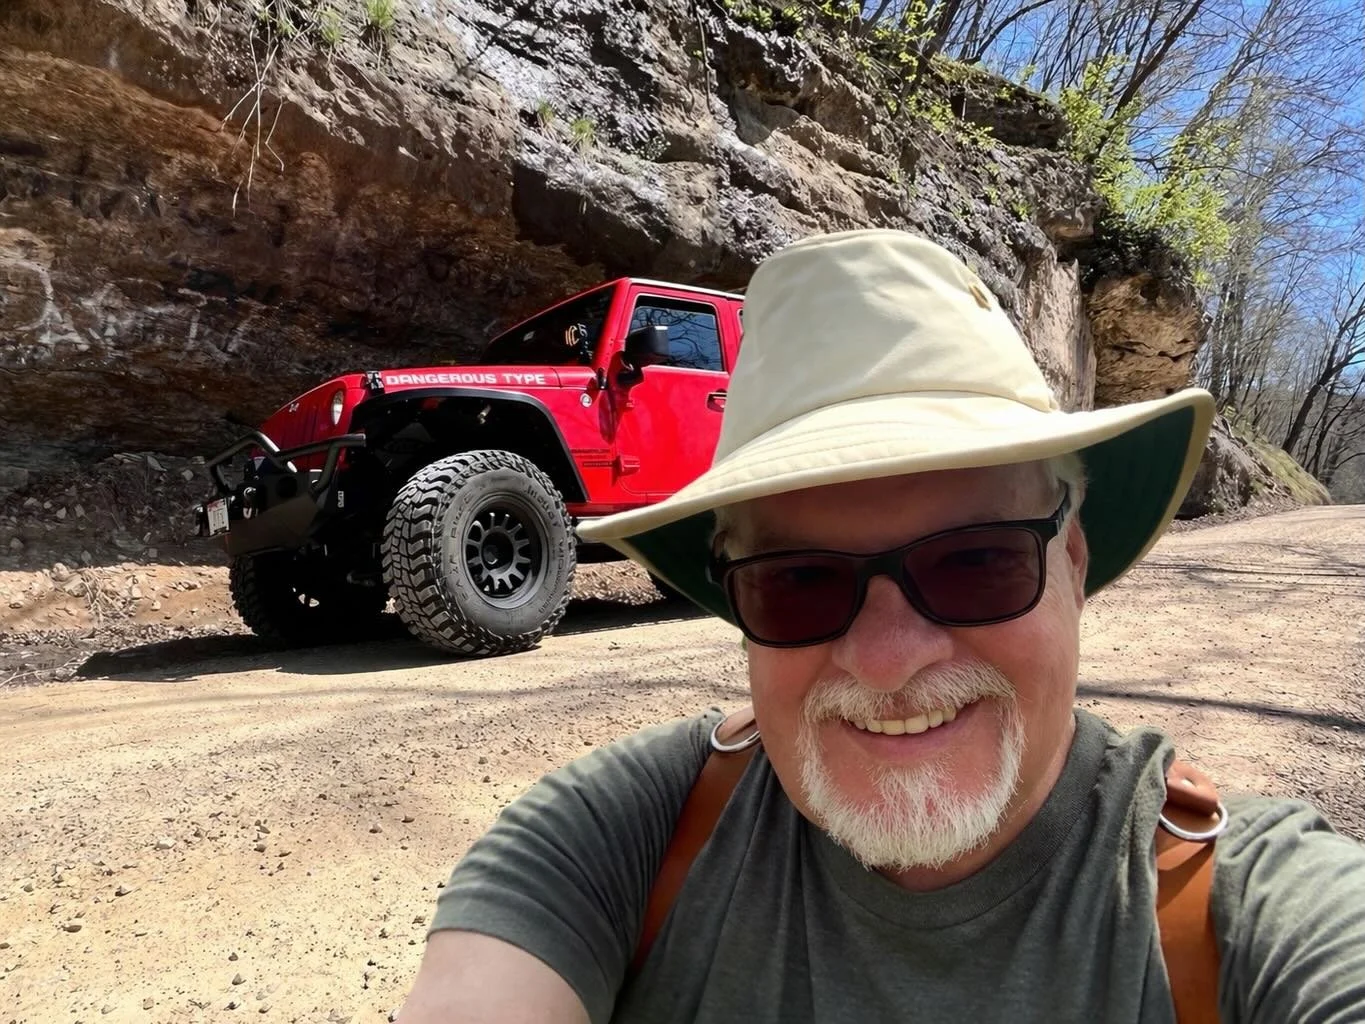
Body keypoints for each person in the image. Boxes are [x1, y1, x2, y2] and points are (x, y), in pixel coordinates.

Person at [397, 229, 1365, 1023]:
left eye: (976, 561)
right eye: (801, 581)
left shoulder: (1252, 910)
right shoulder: (614, 837)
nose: (889, 659)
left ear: (1071, 564)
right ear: (737, 600)